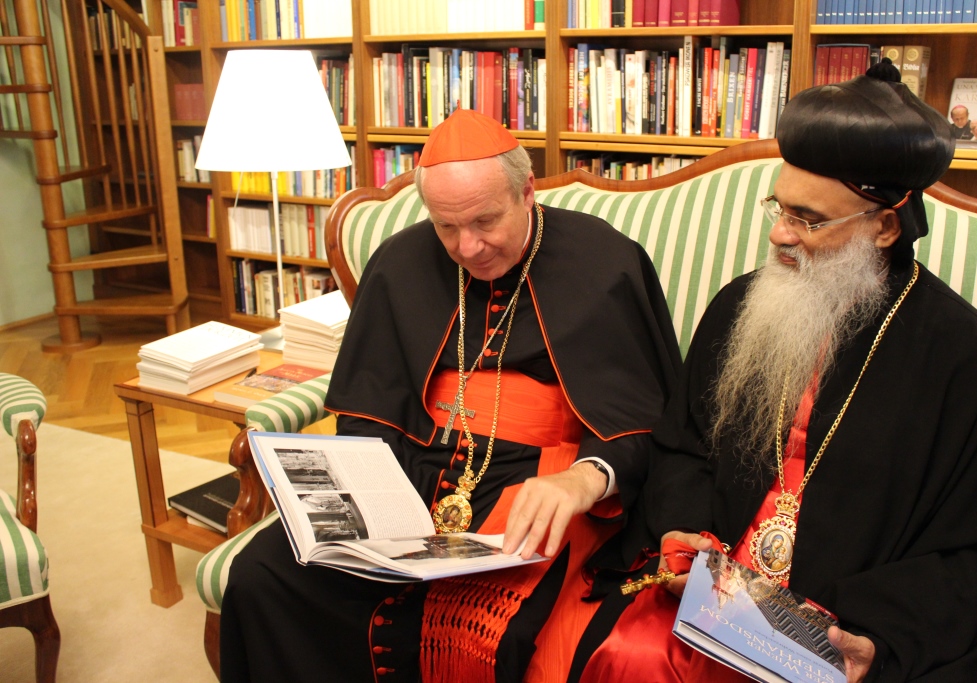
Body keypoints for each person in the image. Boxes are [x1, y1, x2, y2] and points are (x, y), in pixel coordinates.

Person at [578, 67, 977, 682]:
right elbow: (682, 446)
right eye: (779, 207)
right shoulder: (739, 307)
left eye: (809, 220)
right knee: (631, 655)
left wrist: (882, 635)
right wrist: (687, 531)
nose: (778, 233)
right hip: (714, 599)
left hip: (843, 627)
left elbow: (975, 553)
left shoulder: (970, 361)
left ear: (885, 226)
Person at [218, 107, 683, 683]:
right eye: (445, 227)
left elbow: (643, 419)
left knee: (491, 627)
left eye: (486, 221)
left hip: (541, 479)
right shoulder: (400, 262)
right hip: (412, 469)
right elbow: (370, 407)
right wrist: (361, 496)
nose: (468, 247)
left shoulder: (605, 262)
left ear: (527, 191)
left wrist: (584, 478)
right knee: (263, 574)